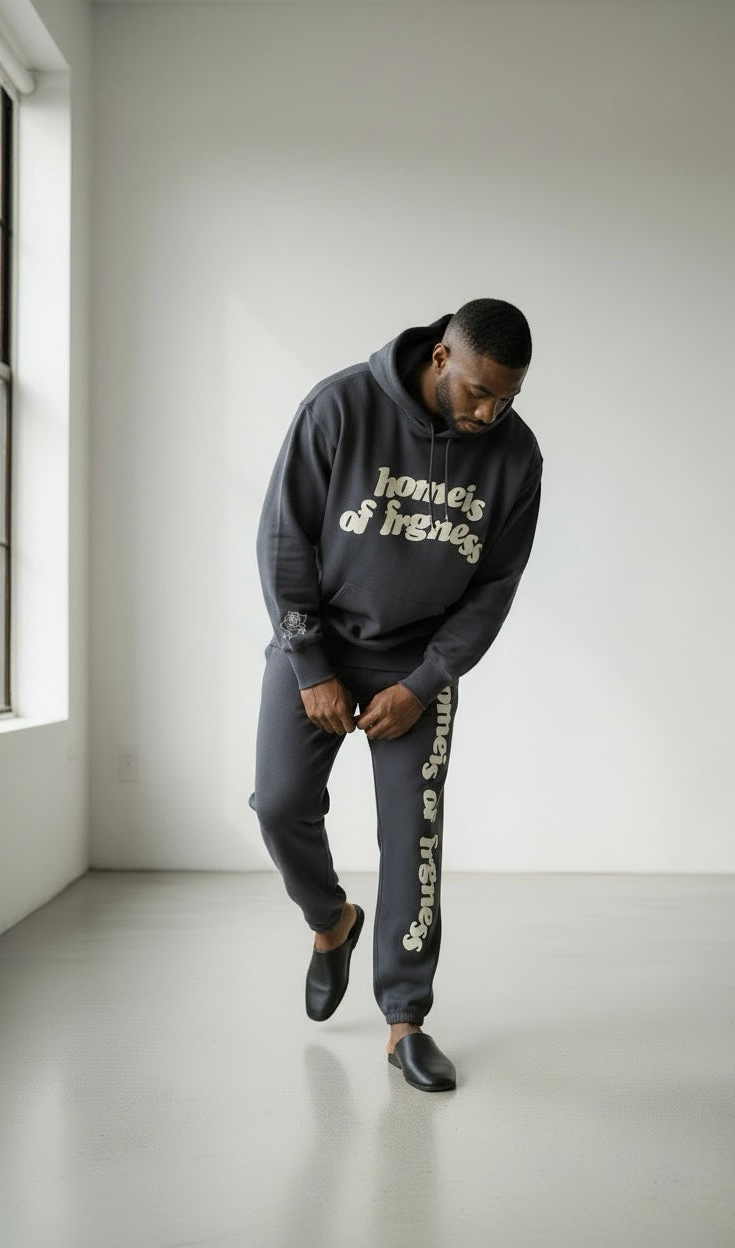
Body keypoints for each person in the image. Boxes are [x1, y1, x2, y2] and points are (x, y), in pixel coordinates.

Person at [249, 298, 542, 1092]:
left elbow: (494, 590)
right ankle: (330, 922)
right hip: (317, 642)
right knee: (278, 805)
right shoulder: (340, 406)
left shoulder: (517, 456)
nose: (491, 412)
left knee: (413, 840)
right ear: (442, 357)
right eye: (480, 391)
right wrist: (310, 666)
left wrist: (423, 685)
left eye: (508, 397)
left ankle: (405, 1020)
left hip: (418, 664)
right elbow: (283, 538)